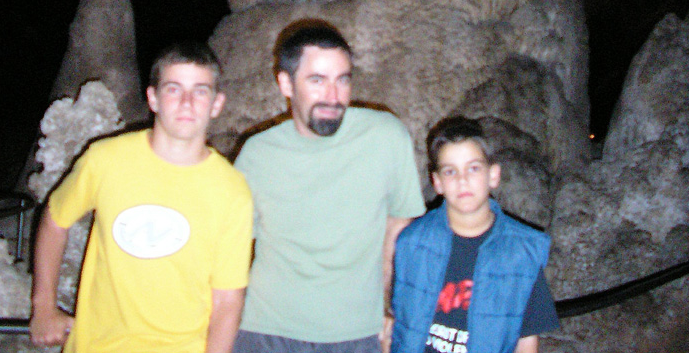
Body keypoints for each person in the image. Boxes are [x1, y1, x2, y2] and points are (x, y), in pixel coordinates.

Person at [29, 41, 254, 353]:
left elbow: (228, 298)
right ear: (153, 98)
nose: (187, 103)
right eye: (173, 89)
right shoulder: (105, 160)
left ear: (217, 104)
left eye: (200, 91)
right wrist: (43, 307)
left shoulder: (231, 190)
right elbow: (55, 220)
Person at [233, 20, 425, 353]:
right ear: (286, 84)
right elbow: (230, 249)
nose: (333, 97)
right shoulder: (257, 154)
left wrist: (387, 306)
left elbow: (398, 226)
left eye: (342, 80)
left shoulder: (385, 136)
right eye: (317, 80)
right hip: (266, 331)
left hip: (357, 333)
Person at [390, 115, 559, 353]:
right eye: (450, 171)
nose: (463, 180)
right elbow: (396, 323)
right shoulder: (412, 242)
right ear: (437, 182)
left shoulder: (522, 252)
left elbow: (527, 339)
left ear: (493, 175)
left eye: (474, 168)